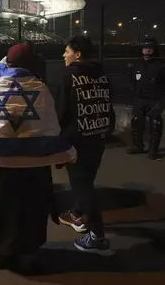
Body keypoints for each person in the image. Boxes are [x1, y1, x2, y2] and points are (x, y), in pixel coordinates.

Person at [0, 43, 77, 271]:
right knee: (33, 208)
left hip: (3, 164)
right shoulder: (40, 88)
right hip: (35, 164)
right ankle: (30, 253)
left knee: (1, 207)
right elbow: (49, 126)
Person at [55, 36, 115, 255]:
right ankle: (79, 215)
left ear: (77, 54)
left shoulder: (68, 78)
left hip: (77, 142)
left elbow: (61, 113)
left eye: (67, 51)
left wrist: (57, 141)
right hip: (98, 137)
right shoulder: (103, 76)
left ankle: (98, 237)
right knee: (87, 180)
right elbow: (109, 107)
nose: (64, 55)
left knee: (83, 186)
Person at [127, 38, 165, 160]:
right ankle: (137, 146)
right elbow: (130, 79)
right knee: (136, 121)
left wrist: (160, 93)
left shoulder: (161, 64)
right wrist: (134, 91)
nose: (147, 49)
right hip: (139, 98)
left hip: (154, 99)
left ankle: (153, 151)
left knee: (155, 124)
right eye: (145, 47)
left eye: (150, 47)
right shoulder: (136, 64)